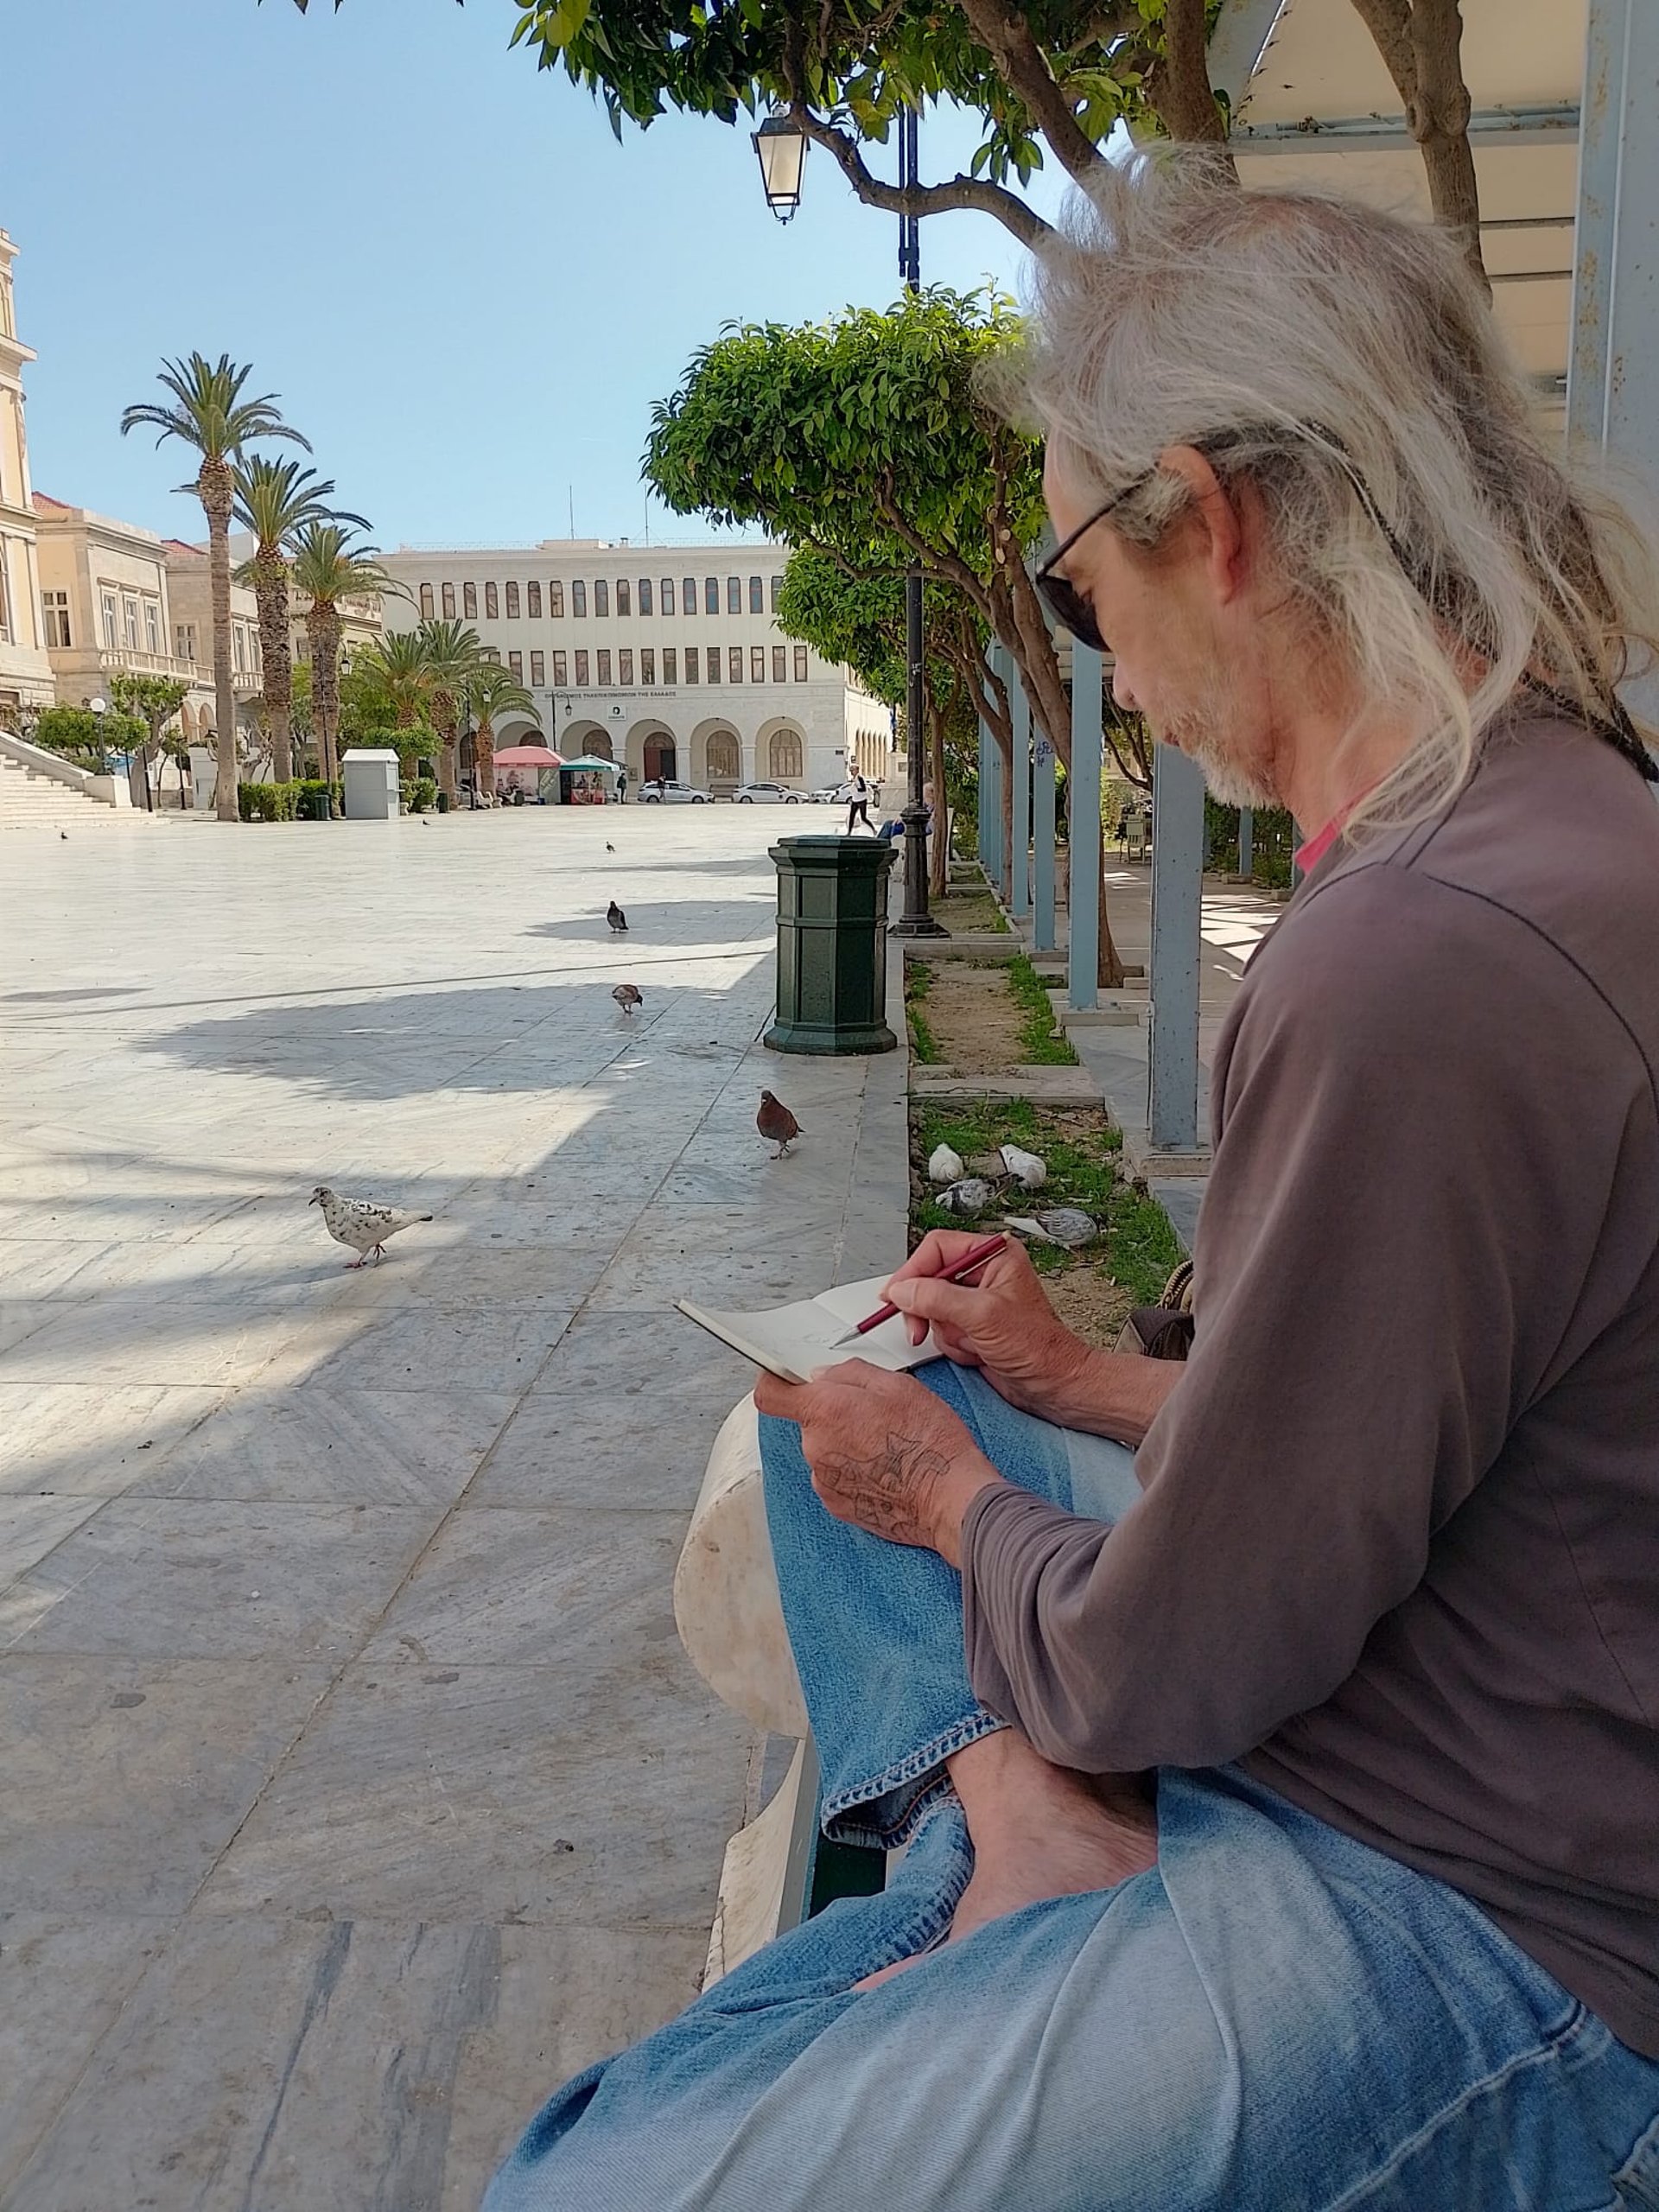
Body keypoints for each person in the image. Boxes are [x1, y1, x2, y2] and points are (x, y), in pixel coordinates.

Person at [483, 150, 1659, 2211]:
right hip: (1429, 1669)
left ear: (1201, 522)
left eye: (1070, 583)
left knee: (585, 2173)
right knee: (851, 1401)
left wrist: (952, 1502)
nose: (1092, 648)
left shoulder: (1421, 949)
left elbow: (1181, 1659)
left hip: (1484, 1908)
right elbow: (1439, 1423)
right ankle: (1029, 1829)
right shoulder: (1546, 817)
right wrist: (1069, 1380)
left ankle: (1013, 1832)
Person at [846, 769, 873, 834]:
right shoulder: (853, 779)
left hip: (862, 800)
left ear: (857, 771)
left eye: (853, 770)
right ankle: (849, 832)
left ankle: (873, 829)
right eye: (851, 770)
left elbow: (863, 789)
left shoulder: (860, 778)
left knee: (863, 818)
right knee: (852, 816)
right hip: (855, 800)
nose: (852, 772)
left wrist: (857, 788)